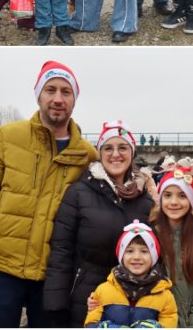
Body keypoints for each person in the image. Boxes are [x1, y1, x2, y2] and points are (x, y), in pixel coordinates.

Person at [0, 61, 96, 327]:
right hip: (2, 269)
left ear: (74, 99)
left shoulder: (87, 155)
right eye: (50, 90)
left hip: (53, 277)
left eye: (66, 92)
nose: (57, 98)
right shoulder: (7, 137)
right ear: (38, 95)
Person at [44, 121, 155, 327]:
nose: (116, 154)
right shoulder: (78, 193)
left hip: (129, 301)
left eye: (122, 147)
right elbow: (61, 249)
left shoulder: (146, 201)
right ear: (99, 152)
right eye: (108, 148)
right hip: (83, 297)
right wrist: (55, 301)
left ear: (132, 153)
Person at [143, 164, 193, 327]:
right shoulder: (151, 235)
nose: (174, 202)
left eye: (182, 196)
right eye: (167, 195)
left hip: (189, 321)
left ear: (191, 200)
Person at [85, 221, 178, 327]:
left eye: (144, 251)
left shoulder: (164, 295)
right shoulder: (103, 290)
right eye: (130, 251)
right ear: (122, 256)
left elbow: (169, 323)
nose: (136, 257)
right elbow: (91, 323)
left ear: (153, 257)